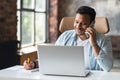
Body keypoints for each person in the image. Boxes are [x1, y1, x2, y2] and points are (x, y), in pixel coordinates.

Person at [23, 6, 113, 72]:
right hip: (67, 76)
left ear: (92, 23)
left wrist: (94, 44)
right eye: (76, 22)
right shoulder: (65, 36)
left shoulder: (104, 40)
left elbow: (108, 67)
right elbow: (53, 57)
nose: (78, 26)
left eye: (83, 23)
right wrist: (33, 64)